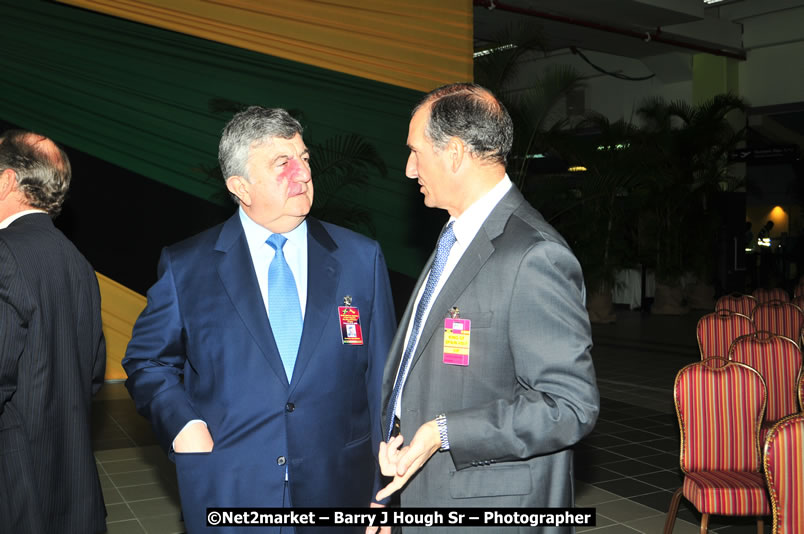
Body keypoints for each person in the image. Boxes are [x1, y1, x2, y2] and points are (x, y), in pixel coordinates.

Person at [123, 106, 395, 533]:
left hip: (339, 491)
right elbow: (147, 362)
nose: (303, 174)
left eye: (304, 159)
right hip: (231, 489)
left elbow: (383, 382)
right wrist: (185, 426)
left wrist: (384, 492)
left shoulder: (361, 258)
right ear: (240, 187)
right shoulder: (187, 266)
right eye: (282, 164)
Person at [375, 83, 599, 533]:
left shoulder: (534, 255)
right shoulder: (456, 236)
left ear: (454, 153)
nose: (408, 168)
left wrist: (443, 432)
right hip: (429, 490)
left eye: (416, 152)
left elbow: (570, 406)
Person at [0, 130, 106, 534]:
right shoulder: (78, 262)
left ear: (7, 181)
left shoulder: (4, 252)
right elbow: (92, 374)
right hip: (70, 474)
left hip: (15, 480)